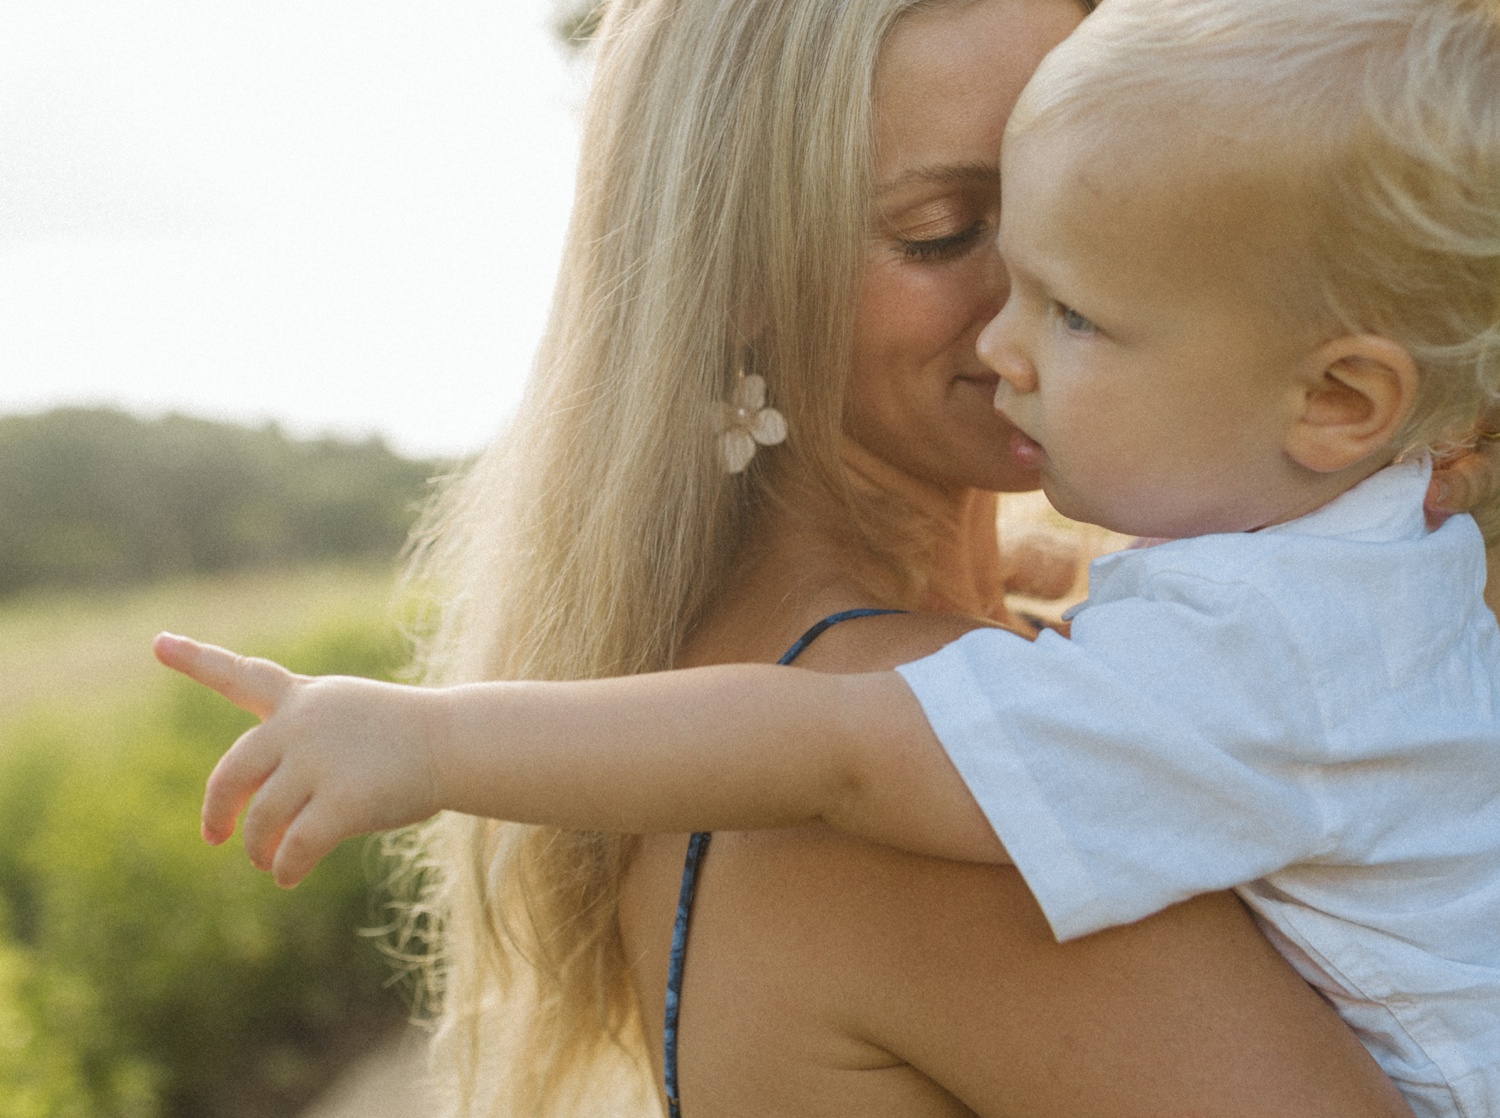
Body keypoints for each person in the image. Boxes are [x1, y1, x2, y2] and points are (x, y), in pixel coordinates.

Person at [154, 0, 1487, 1114]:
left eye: (1110, 203)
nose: (1049, 286)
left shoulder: (751, 685)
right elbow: (843, 743)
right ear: (739, 267)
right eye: (946, 231)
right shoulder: (940, 788)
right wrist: (433, 745)